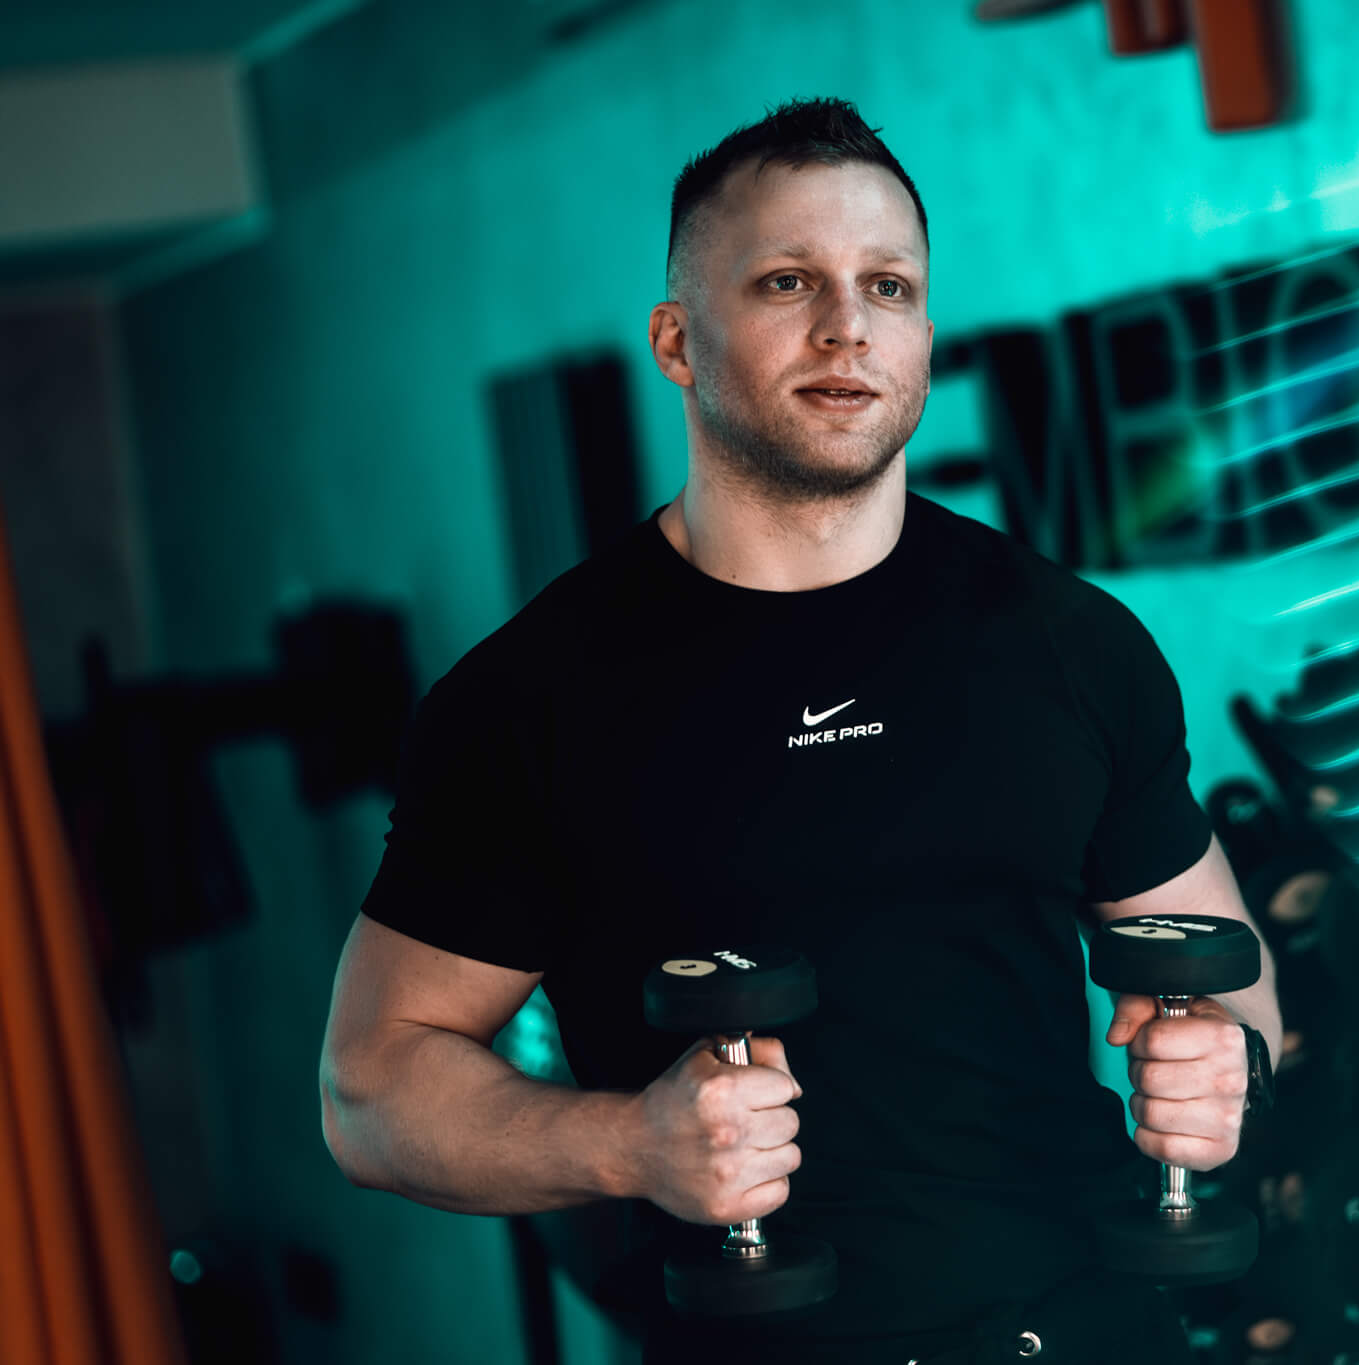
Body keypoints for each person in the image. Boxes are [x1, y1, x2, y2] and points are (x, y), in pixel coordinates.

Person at [318, 96, 1282, 1365]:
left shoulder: (1069, 644)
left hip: (1090, 1329)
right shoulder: (532, 698)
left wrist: (1226, 1068)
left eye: (888, 286)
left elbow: (1231, 982)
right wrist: (630, 1145)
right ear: (676, 340)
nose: (847, 327)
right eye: (787, 281)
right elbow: (371, 1090)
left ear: (924, 334)